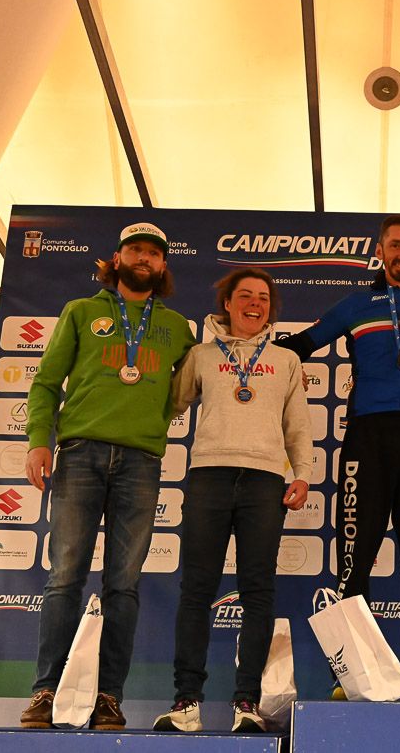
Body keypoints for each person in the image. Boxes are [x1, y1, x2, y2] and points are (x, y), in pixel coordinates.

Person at [275, 214, 400, 701]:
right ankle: (352, 674)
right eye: (395, 245)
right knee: (354, 562)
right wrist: (245, 349)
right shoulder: (356, 305)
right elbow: (301, 346)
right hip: (367, 437)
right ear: (380, 250)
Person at [19, 223, 196, 731]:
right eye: (135, 249)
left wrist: (154, 419)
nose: (144, 258)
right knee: (64, 577)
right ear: (116, 258)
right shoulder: (81, 311)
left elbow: (190, 386)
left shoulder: (178, 328)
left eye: (154, 253)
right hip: (80, 453)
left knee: (124, 585)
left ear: (163, 265)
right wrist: (38, 440)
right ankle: (46, 692)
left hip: (142, 461)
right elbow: (46, 382)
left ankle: (108, 697)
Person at [154, 268, 312, 733]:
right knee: (197, 590)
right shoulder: (201, 355)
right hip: (209, 475)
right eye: (245, 295)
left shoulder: (285, 360)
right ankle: (186, 701)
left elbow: (297, 425)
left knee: (258, 591)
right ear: (227, 303)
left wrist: (302, 473)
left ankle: (247, 702)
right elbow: (169, 404)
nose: (255, 303)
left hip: (265, 481)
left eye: (263, 297)